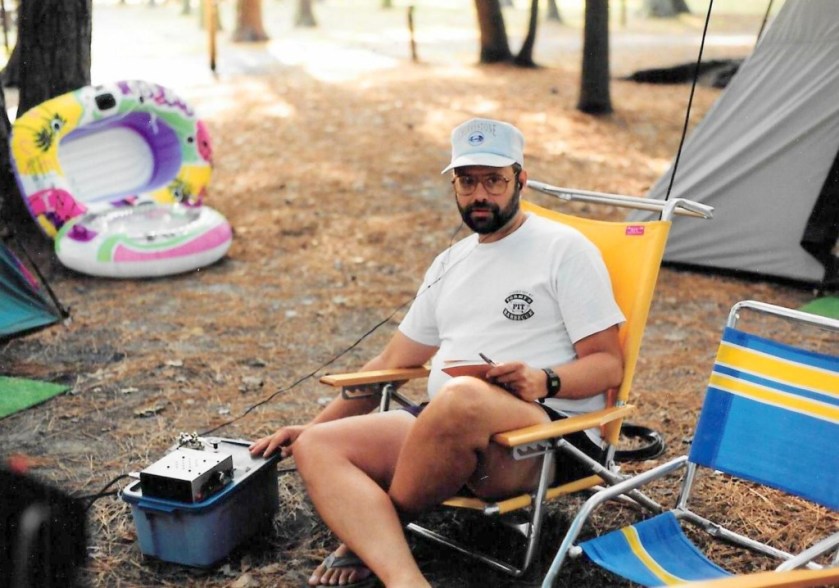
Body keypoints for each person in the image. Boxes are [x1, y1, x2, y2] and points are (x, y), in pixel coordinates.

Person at [250, 118, 625, 587]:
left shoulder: (564, 250)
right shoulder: (450, 263)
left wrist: (543, 379)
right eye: (467, 182)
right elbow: (391, 364)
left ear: (520, 181)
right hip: (444, 428)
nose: (479, 195)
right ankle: (405, 579)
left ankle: (375, 532)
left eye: (493, 181)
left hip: (543, 435)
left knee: (462, 396)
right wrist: (312, 427)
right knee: (318, 447)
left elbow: (608, 365)